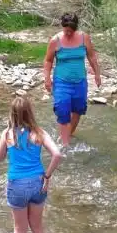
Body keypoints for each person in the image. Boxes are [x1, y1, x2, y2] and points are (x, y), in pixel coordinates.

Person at [0, 96, 62, 233]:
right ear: (30, 113)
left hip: (16, 184)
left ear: (12, 114)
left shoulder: (8, 134)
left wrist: (5, 145)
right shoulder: (40, 132)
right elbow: (57, 155)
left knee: (19, 229)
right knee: (37, 226)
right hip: (38, 183)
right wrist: (47, 176)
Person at [43, 12, 101, 147]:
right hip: (62, 81)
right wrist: (47, 78)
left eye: (71, 30)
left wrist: (97, 74)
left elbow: (92, 57)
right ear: (62, 27)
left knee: (78, 109)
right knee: (62, 109)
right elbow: (48, 61)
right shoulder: (55, 41)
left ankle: (67, 136)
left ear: (76, 28)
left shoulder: (84, 38)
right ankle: (64, 145)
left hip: (80, 81)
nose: (68, 33)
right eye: (66, 30)